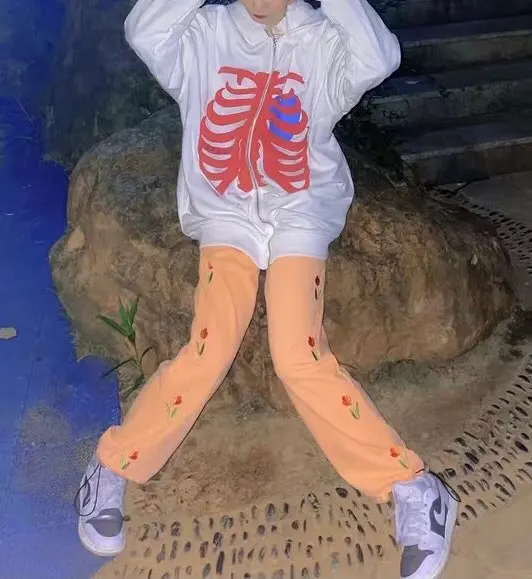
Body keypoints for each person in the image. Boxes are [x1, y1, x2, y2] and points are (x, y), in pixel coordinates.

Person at [75, 0, 460, 577]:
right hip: (226, 217)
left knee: (298, 356)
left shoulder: (323, 42)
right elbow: (142, 27)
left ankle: (414, 489)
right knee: (208, 349)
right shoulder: (202, 35)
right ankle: (113, 465)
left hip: (299, 212)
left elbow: (380, 56)